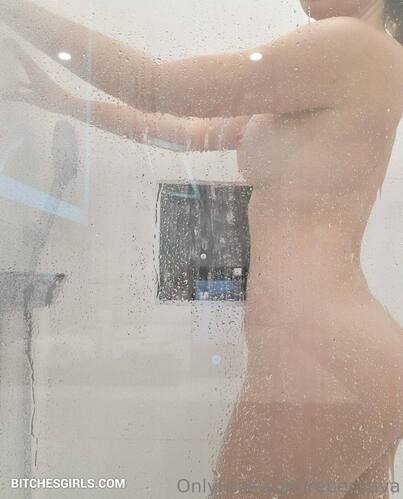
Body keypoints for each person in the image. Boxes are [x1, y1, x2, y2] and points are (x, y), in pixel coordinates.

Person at [2, 0, 403, 497]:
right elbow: (189, 132)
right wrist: (66, 103)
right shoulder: (361, 62)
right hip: (346, 353)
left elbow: (153, 84)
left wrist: (15, 11)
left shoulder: (349, 40)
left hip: (323, 355)